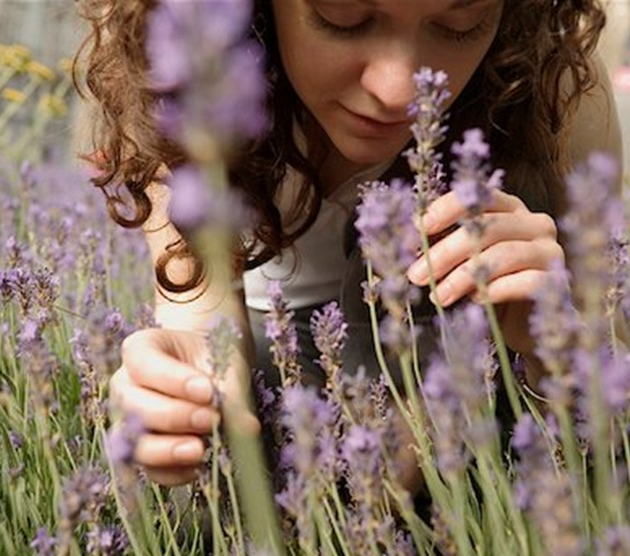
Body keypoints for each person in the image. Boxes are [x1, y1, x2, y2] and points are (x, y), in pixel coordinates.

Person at [78, 0, 623, 494]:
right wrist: (184, 386)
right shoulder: (176, 53)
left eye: (461, 23)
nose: (399, 91)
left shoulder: (554, 85)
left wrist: (559, 354)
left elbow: (609, 412)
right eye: (343, 16)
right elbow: (201, 316)